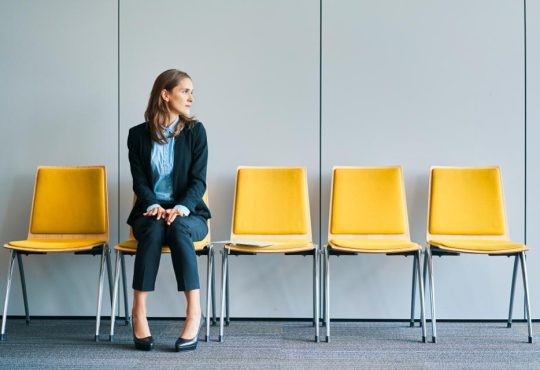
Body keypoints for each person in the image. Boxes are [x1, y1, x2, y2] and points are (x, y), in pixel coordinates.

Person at [127, 69, 211, 351]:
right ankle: (138, 312)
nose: (191, 97)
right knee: (151, 230)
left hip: (190, 213)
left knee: (177, 228)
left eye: (191, 91)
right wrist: (153, 205)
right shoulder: (137, 136)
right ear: (166, 94)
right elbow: (139, 181)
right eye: (185, 90)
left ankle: (194, 314)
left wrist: (181, 208)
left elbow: (199, 181)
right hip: (150, 212)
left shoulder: (195, 132)